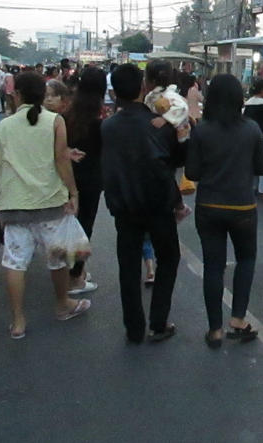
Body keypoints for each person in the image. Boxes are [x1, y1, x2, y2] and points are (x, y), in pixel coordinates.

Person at [0, 71, 90, 339]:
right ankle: (63, 305)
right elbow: (61, 160)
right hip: (49, 202)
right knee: (57, 258)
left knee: (15, 263)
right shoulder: (54, 121)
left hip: (13, 205)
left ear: (17, 95)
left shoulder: (3, 127)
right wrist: (73, 192)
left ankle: (18, 322)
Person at [101, 63, 185, 344]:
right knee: (169, 258)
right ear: (143, 88)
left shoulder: (108, 127)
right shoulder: (159, 124)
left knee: (128, 265)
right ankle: (158, 322)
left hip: (124, 207)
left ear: (114, 93)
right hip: (158, 205)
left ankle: (134, 327)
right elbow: (173, 162)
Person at [185, 73, 263, 349]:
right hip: (243, 206)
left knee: (213, 266)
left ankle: (215, 330)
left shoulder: (201, 130)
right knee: (246, 260)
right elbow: (262, 168)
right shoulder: (252, 129)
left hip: (208, 205)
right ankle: (238, 319)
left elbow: (192, 171)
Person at [63, 66, 106, 295]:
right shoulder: (102, 119)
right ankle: (75, 277)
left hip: (65, 177)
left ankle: (69, 271)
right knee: (84, 225)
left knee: (65, 224)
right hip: (92, 179)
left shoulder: (66, 115)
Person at [143, 59, 191, 222]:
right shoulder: (153, 95)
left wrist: (166, 119)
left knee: (166, 177)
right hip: (161, 139)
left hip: (172, 140)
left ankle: (178, 206)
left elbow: (182, 109)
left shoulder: (170, 96)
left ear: (151, 80)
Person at [243, 78, 263, 203]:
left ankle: (249, 187)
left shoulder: (249, 103)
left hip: (247, 136)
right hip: (261, 137)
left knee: (249, 163)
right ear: (262, 90)